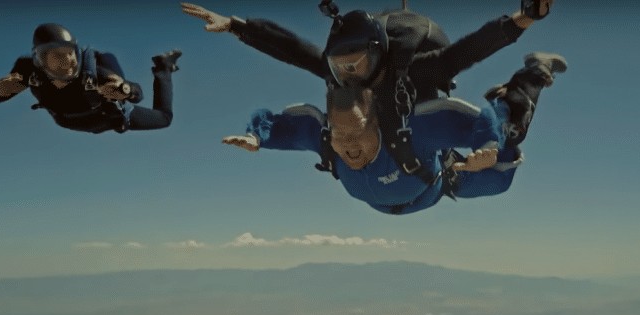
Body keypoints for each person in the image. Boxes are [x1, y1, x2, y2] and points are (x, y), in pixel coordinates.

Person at [183, 0, 554, 182]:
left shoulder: (413, 73)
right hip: (391, 143)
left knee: (510, 131)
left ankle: (532, 74)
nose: (347, 74)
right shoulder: (340, 79)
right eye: (338, 65)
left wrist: (523, 19)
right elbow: (292, 49)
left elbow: (470, 49)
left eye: (356, 64)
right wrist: (235, 25)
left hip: (425, 122)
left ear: (378, 54)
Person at [222, 52, 566, 215]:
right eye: (341, 136)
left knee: (505, 158)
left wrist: (489, 147)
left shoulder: (415, 130)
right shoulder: (323, 136)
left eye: (357, 133)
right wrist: (257, 137)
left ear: (378, 123)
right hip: (420, 192)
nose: (349, 147)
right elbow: (279, 123)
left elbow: (471, 118)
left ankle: (530, 77)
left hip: (444, 179)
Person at [0, 23, 182, 134]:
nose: (69, 63)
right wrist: (4, 87)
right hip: (71, 121)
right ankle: (164, 67)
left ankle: (163, 69)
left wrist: (124, 89)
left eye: (70, 54)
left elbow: (137, 94)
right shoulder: (29, 71)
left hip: (106, 118)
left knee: (165, 119)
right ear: (40, 60)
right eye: (58, 58)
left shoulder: (94, 73)